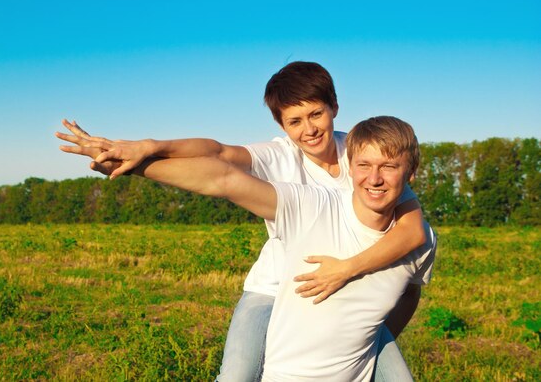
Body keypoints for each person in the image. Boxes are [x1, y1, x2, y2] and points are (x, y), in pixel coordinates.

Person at [56, 62, 431, 380]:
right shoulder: (280, 157)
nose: (309, 129)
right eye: (294, 121)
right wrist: (148, 150)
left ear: (334, 106)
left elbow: (413, 231)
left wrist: (346, 272)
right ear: (281, 124)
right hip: (275, 286)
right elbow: (219, 159)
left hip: (346, 287)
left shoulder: (364, 155)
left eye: (316, 114)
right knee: (237, 375)